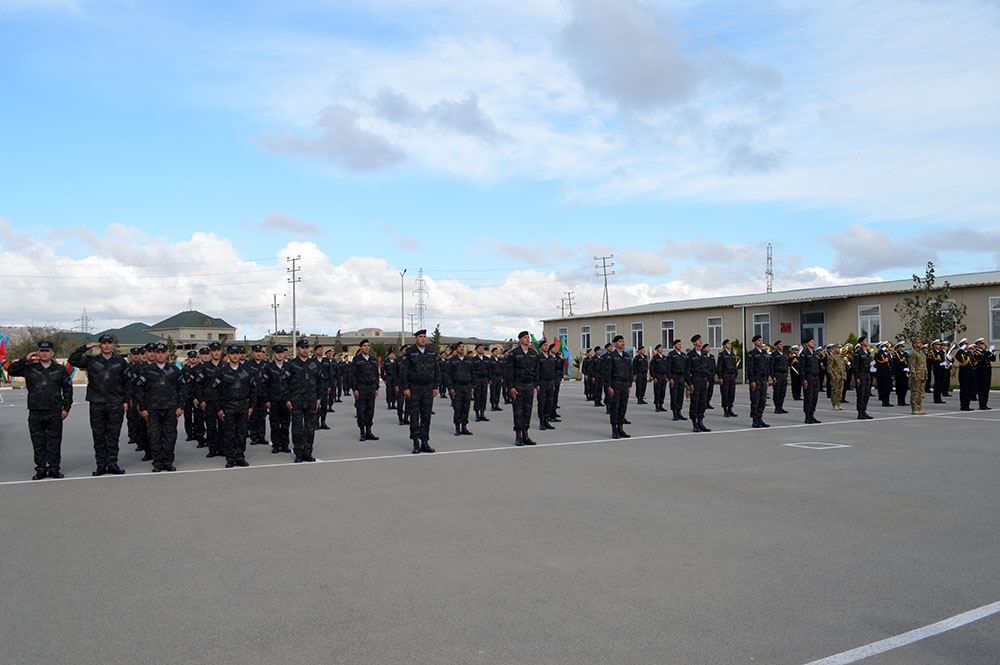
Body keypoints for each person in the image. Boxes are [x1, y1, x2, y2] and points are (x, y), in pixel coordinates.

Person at [8, 340, 73, 480]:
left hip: (54, 411)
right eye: (42, 351)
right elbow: (11, 370)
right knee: (38, 442)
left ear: (52, 353)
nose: (44, 354)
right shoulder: (30, 368)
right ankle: (41, 469)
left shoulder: (60, 369)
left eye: (47, 351)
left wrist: (66, 408)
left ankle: (54, 468)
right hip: (36, 411)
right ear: (38, 353)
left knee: (54, 442)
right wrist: (26, 358)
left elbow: (68, 389)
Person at [68, 333, 129, 476]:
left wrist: (125, 401)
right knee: (99, 436)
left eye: (109, 342)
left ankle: (112, 464)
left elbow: (127, 383)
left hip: (115, 403)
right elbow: (73, 360)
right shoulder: (91, 360)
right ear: (100, 345)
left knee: (113, 436)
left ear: (112, 345)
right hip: (97, 403)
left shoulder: (121, 361)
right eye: (104, 343)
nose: (107, 345)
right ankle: (101, 465)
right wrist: (85, 347)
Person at [135, 342, 186, 472]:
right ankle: (157, 462)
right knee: (154, 436)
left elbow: (182, 389)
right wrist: (143, 408)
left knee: (170, 436)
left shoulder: (174, 370)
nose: (160, 355)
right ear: (154, 354)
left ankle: (168, 462)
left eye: (163, 352)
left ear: (167, 354)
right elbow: (139, 390)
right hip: (152, 409)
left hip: (171, 409)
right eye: (158, 352)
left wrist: (181, 406)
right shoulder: (146, 371)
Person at [212, 345, 255, 468]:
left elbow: (253, 389)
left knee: (242, 433)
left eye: (237, 353)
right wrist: (219, 409)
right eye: (232, 353)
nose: (235, 355)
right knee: (229, 434)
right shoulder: (221, 372)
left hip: (243, 406)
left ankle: (240, 456)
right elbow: (215, 391)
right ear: (228, 356)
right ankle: (230, 458)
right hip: (228, 406)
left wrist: (251, 406)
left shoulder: (246, 371)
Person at [400, 329, 440, 453]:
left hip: (428, 388)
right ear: (415, 338)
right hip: (414, 388)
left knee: (426, 416)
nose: (423, 338)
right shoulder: (410, 352)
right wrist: (405, 388)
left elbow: (437, 370)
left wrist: (436, 386)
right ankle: (415, 442)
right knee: (414, 415)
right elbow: (404, 371)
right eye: (420, 336)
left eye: (424, 336)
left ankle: (425, 442)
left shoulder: (431, 352)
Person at [286, 338, 325, 462]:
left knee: (310, 428)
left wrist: (319, 398)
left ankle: (308, 451)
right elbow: (285, 384)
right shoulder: (291, 364)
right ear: (297, 349)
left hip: (311, 400)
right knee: (297, 428)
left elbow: (320, 382)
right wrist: (288, 399)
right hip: (296, 400)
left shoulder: (314, 364)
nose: (305, 350)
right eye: (302, 347)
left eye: (307, 347)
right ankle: (298, 452)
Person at [505, 331, 539, 446]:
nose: (528, 339)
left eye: (528, 337)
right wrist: (511, 387)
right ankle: (518, 435)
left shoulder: (533, 353)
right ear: (520, 339)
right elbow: (509, 372)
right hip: (518, 385)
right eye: (525, 337)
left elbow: (537, 371)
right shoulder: (513, 354)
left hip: (529, 385)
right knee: (518, 411)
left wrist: (535, 385)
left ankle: (526, 434)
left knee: (527, 411)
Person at [196, 341, 225, 458]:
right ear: (210, 352)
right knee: (211, 426)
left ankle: (222, 448)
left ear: (221, 352)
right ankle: (212, 449)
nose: (216, 353)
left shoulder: (226, 367)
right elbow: (198, 385)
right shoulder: (204, 367)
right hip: (210, 402)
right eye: (214, 350)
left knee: (223, 426)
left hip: (223, 402)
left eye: (218, 350)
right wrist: (201, 400)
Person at [263, 344, 292, 453]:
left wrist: (290, 399)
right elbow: (264, 385)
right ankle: (276, 445)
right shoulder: (268, 367)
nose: (280, 355)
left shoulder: (289, 367)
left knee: (285, 424)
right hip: (273, 400)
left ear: (284, 354)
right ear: (274, 354)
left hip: (286, 400)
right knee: (274, 424)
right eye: (277, 353)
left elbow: (292, 385)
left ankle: (285, 445)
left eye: (281, 353)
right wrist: (266, 400)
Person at [602, 335, 633, 438]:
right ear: (615, 344)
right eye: (620, 341)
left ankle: (621, 429)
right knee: (615, 408)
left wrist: (629, 385)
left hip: (625, 384)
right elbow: (607, 372)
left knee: (623, 407)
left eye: (623, 341)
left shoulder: (627, 356)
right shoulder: (611, 356)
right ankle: (614, 430)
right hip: (615, 384)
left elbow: (630, 371)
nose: (622, 343)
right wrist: (609, 386)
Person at [351, 339, 381, 441]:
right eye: (364, 345)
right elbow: (353, 375)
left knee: (370, 410)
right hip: (361, 387)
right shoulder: (356, 359)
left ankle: (369, 431)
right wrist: (355, 389)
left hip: (371, 387)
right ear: (360, 347)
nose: (366, 347)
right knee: (361, 410)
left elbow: (376, 375)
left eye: (368, 345)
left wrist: (377, 388)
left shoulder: (373, 359)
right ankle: (362, 431)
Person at [446, 342, 474, 436]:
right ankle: (457, 427)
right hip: (456, 387)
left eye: (463, 347)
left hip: (467, 386)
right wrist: (450, 388)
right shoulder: (452, 360)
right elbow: (448, 375)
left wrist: (472, 387)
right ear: (456, 349)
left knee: (466, 407)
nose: (462, 348)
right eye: (460, 347)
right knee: (457, 408)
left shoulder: (469, 360)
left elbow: (472, 374)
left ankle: (464, 427)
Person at [685, 335, 711, 432]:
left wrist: (707, 380)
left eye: (701, 340)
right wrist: (689, 383)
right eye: (699, 340)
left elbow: (707, 368)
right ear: (694, 343)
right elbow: (687, 370)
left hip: (703, 380)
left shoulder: (704, 354)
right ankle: (694, 423)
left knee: (703, 402)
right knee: (695, 402)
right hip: (695, 379)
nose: (700, 341)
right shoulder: (690, 355)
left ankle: (701, 422)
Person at [246, 344, 269, 446]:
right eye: (256, 351)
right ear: (252, 353)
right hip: (253, 395)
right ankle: (254, 437)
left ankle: (261, 437)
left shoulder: (267, 365)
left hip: (263, 395)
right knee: (253, 417)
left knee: (262, 417)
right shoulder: (248, 365)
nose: (258, 353)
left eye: (260, 351)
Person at [746, 335, 770, 428]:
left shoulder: (764, 353)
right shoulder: (752, 353)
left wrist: (767, 379)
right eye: (759, 340)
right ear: (755, 342)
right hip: (756, 379)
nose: (760, 342)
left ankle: (760, 418)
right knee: (755, 400)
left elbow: (767, 366)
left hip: (763, 379)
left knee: (762, 400)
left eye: (761, 340)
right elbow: (750, 368)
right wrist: (752, 380)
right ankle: (755, 420)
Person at [536, 342, 557, 431]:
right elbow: (536, 371)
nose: (546, 346)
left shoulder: (551, 358)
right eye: (545, 345)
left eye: (547, 345)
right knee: (542, 403)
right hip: (542, 383)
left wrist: (554, 382)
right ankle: (541, 422)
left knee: (549, 402)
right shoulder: (538, 358)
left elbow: (554, 371)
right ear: (541, 347)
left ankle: (546, 420)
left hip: (550, 383)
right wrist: (537, 384)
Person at [799, 337, 821, 424]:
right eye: (811, 341)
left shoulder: (814, 353)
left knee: (815, 397)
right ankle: (807, 416)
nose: (813, 343)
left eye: (813, 341)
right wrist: (804, 379)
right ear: (807, 343)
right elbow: (802, 368)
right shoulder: (804, 354)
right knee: (808, 397)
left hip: (815, 377)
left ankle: (812, 415)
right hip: (808, 377)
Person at [853, 337, 874, 419]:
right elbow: (856, 367)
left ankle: (864, 411)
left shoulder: (868, 352)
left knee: (867, 393)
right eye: (865, 340)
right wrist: (857, 378)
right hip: (861, 375)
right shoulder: (858, 353)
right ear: (861, 343)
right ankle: (860, 412)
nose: (867, 341)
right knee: (860, 394)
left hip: (867, 374)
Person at [666, 339, 688, 421]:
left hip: (682, 377)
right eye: (678, 344)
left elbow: (686, 368)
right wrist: (670, 378)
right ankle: (674, 413)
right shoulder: (671, 354)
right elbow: (668, 368)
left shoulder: (683, 355)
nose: (680, 346)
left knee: (680, 395)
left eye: (680, 344)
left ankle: (679, 412)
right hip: (674, 377)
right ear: (675, 345)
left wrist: (686, 379)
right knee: (674, 395)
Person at [716, 339, 739, 417]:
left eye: (730, 343)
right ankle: (725, 410)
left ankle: (730, 409)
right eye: (728, 343)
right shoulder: (722, 354)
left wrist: (736, 374)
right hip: (725, 376)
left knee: (732, 393)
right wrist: (720, 377)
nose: (730, 345)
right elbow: (719, 367)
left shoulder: (732, 354)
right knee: (725, 393)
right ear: (725, 345)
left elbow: (735, 365)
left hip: (732, 376)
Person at [470, 343, 491, 422]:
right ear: (476, 350)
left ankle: (482, 413)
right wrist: (472, 382)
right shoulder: (473, 360)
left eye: (482, 348)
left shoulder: (486, 359)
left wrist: (489, 378)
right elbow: (472, 371)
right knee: (477, 397)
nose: (481, 349)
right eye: (479, 348)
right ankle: (477, 414)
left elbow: (489, 369)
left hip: (484, 380)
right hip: (477, 380)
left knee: (484, 397)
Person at [974, 338, 995, 410]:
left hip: (987, 371)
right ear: (977, 345)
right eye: (981, 344)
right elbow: (982, 358)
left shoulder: (985, 352)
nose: (983, 345)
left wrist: (993, 353)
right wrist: (989, 352)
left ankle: (985, 404)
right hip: (981, 372)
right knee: (982, 388)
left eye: (983, 343)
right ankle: (982, 405)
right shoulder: (976, 352)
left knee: (986, 388)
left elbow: (992, 360)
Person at [770, 340, 790, 414]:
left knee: (783, 391)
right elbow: (771, 366)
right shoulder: (774, 354)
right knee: (777, 391)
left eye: (782, 344)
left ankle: (781, 407)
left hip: (784, 375)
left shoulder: (784, 354)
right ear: (776, 346)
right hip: (777, 374)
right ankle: (777, 408)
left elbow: (787, 364)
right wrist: (773, 376)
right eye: (780, 344)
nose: (782, 346)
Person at [908, 339, 928, 415]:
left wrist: (926, 374)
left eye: (920, 342)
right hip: (917, 375)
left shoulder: (922, 352)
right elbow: (911, 365)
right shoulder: (912, 353)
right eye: (918, 343)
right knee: (915, 392)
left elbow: (924, 365)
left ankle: (919, 407)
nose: (920, 344)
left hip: (923, 374)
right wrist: (914, 375)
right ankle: (914, 408)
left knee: (921, 393)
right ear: (914, 344)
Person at [874, 341, 894, 407]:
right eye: (887, 346)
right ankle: (884, 402)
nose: (889, 348)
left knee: (888, 388)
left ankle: (887, 401)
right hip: (883, 373)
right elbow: (879, 362)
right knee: (884, 388)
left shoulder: (886, 353)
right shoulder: (880, 353)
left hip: (888, 373)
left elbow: (890, 363)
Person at [649, 344, 669, 412]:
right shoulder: (655, 358)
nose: (662, 349)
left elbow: (667, 368)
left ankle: (661, 405)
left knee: (663, 391)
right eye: (660, 348)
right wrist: (654, 377)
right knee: (657, 391)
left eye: (662, 348)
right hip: (657, 376)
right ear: (657, 350)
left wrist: (667, 377)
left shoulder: (664, 357)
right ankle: (656, 405)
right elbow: (652, 369)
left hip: (664, 376)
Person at [828, 345, 847, 411]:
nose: (839, 349)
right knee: (835, 390)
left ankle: (839, 404)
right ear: (834, 349)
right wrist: (832, 376)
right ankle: (834, 404)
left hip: (841, 376)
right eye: (837, 348)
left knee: (840, 391)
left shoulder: (841, 357)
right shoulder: (831, 357)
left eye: (839, 348)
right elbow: (829, 368)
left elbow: (843, 367)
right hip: (835, 376)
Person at [395, 344, 410, 425]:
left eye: (406, 349)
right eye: (404, 349)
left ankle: (406, 418)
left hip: (408, 385)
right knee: (400, 403)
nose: (405, 350)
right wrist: (396, 385)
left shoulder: (411, 360)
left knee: (408, 403)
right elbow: (395, 374)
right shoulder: (397, 361)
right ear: (401, 351)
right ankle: (400, 418)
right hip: (400, 384)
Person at [892, 342, 910, 406]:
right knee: (900, 388)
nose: (902, 348)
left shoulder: (906, 354)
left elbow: (908, 362)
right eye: (901, 347)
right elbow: (896, 363)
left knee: (905, 387)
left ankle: (903, 400)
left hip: (905, 373)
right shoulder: (895, 354)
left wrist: (908, 368)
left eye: (903, 347)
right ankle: (900, 401)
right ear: (898, 348)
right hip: (899, 373)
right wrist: (902, 368)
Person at [488, 347, 503, 411]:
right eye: (495, 351)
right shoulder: (490, 360)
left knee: (498, 391)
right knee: (493, 392)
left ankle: (497, 405)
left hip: (499, 377)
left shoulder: (500, 359)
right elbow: (489, 370)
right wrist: (490, 379)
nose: (496, 352)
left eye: (497, 351)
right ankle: (492, 405)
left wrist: (502, 377)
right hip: (493, 377)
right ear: (492, 352)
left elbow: (502, 369)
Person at [701, 343, 716, 410]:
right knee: (705, 390)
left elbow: (714, 366)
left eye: (709, 347)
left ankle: (708, 402)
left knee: (710, 390)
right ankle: (704, 403)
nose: (708, 348)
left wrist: (714, 373)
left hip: (711, 376)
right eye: (707, 347)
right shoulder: (702, 356)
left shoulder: (712, 356)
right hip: (706, 376)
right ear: (704, 349)